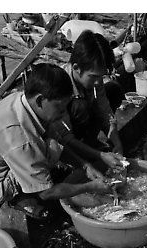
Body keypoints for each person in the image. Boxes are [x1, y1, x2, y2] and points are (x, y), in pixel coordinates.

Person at [0, 63, 121, 220]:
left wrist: (86, 167)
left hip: (7, 157)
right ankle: (20, 198)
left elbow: (59, 139)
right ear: (40, 100)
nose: (63, 113)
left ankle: (34, 179)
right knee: (51, 151)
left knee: (53, 145)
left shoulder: (21, 100)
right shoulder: (21, 138)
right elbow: (47, 193)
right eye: (60, 109)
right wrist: (91, 186)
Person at [48, 30, 125, 165]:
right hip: (65, 135)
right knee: (80, 106)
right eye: (94, 76)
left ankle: (91, 143)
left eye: (101, 76)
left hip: (83, 119)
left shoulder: (96, 77)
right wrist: (100, 156)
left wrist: (116, 138)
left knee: (114, 89)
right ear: (76, 68)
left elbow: (104, 108)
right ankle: (83, 152)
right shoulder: (59, 87)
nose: (98, 81)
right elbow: (65, 137)